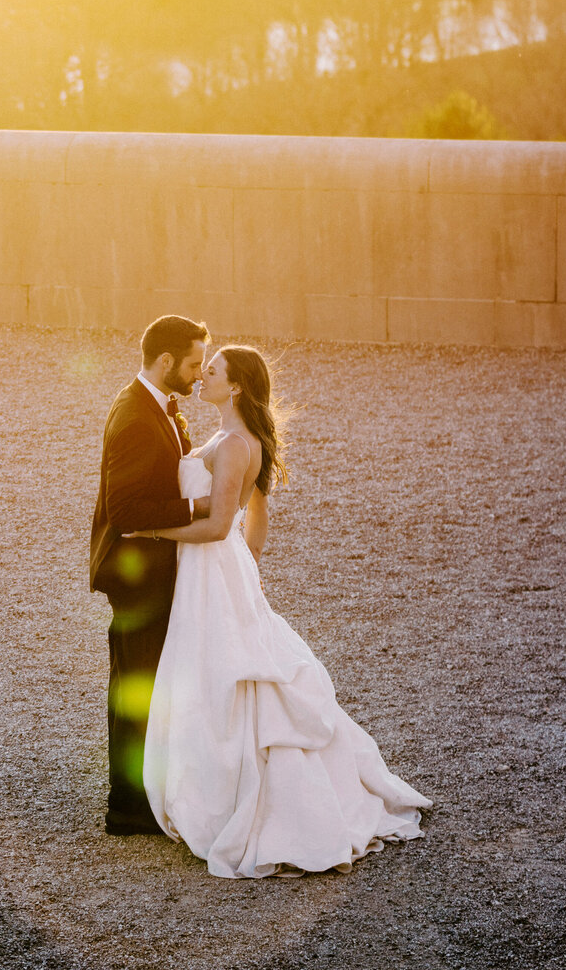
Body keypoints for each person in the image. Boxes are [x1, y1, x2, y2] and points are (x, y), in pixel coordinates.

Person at [132, 344, 430, 877]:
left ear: (236, 386)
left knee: (219, 673)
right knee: (217, 669)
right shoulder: (238, 438)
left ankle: (231, 800)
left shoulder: (232, 445)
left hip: (210, 565)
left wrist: (151, 531)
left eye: (213, 371)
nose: (202, 377)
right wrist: (247, 568)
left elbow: (217, 527)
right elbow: (256, 516)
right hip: (221, 570)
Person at [89, 315, 211, 835]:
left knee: (142, 683)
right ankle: (128, 808)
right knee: (137, 688)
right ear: (166, 361)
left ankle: (140, 795)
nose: (200, 374)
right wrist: (198, 506)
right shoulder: (137, 417)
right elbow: (125, 511)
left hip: (148, 570)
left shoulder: (155, 404)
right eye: (194, 364)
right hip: (136, 575)